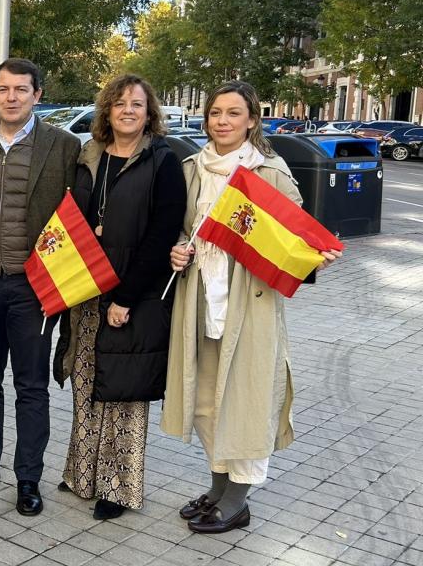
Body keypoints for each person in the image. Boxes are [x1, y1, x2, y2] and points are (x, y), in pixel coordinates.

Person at [163, 81, 341, 534]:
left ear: (251, 120)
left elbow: (295, 236)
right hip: (200, 301)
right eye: (216, 112)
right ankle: (218, 485)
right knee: (205, 404)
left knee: (245, 403)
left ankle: (237, 501)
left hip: (250, 305)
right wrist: (179, 248)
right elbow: (182, 228)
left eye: (233, 113)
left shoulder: (270, 171)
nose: (222, 121)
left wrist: (316, 252)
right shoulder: (191, 168)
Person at [52, 74, 186, 520]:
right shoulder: (89, 156)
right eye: (120, 103)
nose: (128, 110)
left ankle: (117, 486)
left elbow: (162, 232)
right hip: (86, 290)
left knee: (124, 389)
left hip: (134, 291)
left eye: (138, 104)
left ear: (150, 114)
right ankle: (81, 472)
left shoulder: (163, 161)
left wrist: (126, 297)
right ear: (107, 109)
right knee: (86, 382)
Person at [0, 58, 81, 516]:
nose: (11, 97)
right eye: (3, 89)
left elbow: (82, 209)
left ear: (37, 95)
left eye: (21, 90)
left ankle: (28, 477)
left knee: (31, 387)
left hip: (35, 290)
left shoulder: (63, 146)